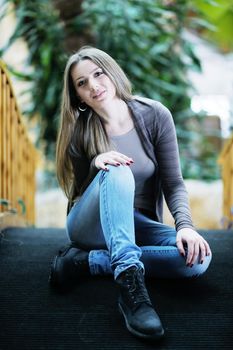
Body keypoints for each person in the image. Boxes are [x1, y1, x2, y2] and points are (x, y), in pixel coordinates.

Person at [49, 46, 212, 340]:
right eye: (82, 83)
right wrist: (98, 164)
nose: (94, 86)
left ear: (111, 72)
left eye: (98, 74)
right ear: (78, 97)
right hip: (90, 225)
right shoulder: (80, 133)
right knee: (117, 168)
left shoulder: (154, 115)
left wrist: (185, 227)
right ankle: (130, 285)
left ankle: (86, 263)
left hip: (136, 225)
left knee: (197, 258)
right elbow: (80, 197)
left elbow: (174, 183)